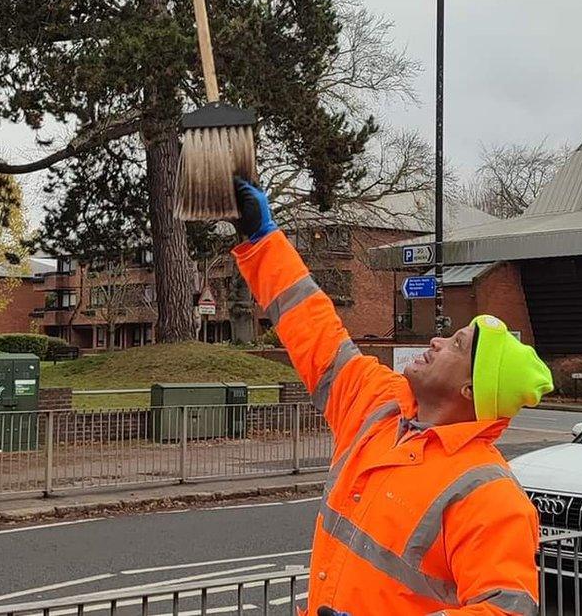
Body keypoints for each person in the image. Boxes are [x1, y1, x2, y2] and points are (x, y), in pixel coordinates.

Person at [232, 180, 554, 616]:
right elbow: (314, 327)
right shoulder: (379, 404)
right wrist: (262, 240)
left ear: (471, 390)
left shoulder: (490, 497)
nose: (438, 341)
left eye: (457, 346)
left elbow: (504, 610)